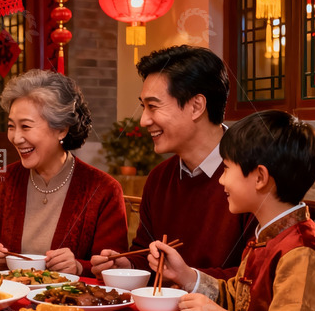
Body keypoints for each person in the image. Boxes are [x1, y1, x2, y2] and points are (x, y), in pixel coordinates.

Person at [147, 110, 315, 311]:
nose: (221, 181)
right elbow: (241, 298)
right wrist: (187, 277)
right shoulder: (269, 237)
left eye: (226, 169)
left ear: (259, 177)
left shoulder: (303, 251)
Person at [91, 45, 257, 279]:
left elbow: (258, 274)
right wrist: (126, 266)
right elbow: (146, 251)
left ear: (196, 106)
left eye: (153, 106)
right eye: (143, 107)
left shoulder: (254, 173)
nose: (144, 120)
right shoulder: (160, 178)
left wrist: (189, 278)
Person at [0, 69, 128, 276]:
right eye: (11, 126)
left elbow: (115, 264)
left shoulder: (103, 189)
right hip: (8, 300)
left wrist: (79, 266)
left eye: (26, 127)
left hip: (71, 304)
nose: (16, 137)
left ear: (62, 129)